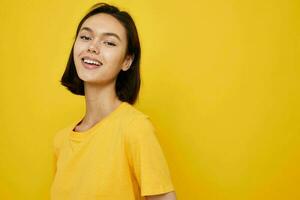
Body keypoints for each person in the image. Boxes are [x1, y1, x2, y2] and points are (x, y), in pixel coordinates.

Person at [50, 2, 177, 200]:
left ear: (127, 60)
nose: (92, 47)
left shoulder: (135, 128)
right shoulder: (61, 142)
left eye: (109, 42)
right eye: (85, 37)